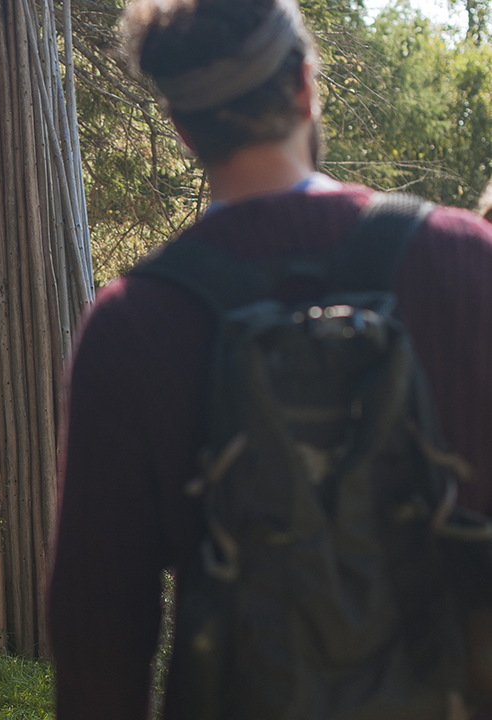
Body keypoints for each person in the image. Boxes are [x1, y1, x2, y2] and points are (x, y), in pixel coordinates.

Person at [46, 0, 492, 716]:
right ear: (306, 87)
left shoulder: (133, 326)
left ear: (183, 129)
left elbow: (95, 625)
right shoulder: (467, 263)